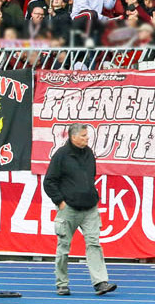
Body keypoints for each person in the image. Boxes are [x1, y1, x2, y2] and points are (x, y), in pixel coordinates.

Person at [43, 123, 118, 296]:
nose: (87, 138)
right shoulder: (61, 155)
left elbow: (91, 176)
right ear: (73, 136)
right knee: (64, 247)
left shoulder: (89, 153)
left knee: (94, 244)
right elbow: (49, 181)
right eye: (83, 135)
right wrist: (60, 201)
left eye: (87, 135)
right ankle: (62, 283)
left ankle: (100, 282)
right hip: (68, 209)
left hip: (90, 207)